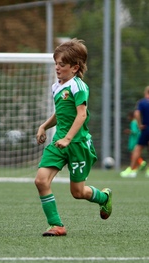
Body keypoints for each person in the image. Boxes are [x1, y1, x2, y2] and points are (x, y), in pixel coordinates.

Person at [34, 38, 112, 237]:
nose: (57, 68)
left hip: (77, 144)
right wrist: (44, 126)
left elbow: (81, 114)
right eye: (56, 64)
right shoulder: (56, 87)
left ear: (75, 67)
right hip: (59, 143)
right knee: (41, 181)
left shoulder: (78, 87)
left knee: (77, 193)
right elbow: (60, 114)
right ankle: (57, 225)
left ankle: (104, 197)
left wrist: (68, 138)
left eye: (62, 64)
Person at [120, 86, 149, 178]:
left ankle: (132, 170)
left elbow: (136, 113)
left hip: (146, 128)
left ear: (146, 92)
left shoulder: (142, 102)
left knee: (138, 148)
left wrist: (140, 124)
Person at [120, 111, 147, 177]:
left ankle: (140, 163)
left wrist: (129, 131)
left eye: (128, 116)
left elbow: (135, 131)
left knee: (133, 154)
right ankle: (136, 168)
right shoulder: (136, 122)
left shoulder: (133, 122)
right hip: (137, 139)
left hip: (134, 140)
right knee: (134, 154)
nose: (128, 118)